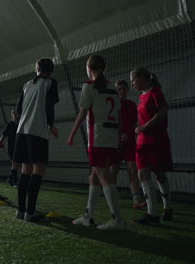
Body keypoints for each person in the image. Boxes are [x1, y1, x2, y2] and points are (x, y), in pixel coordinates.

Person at [67, 55, 125, 230]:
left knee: (104, 177)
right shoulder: (113, 89)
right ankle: (88, 216)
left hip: (98, 138)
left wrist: (72, 134)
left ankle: (118, 220)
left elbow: (82, 113)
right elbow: (120, 117)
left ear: (89, 69)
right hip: (112, 138)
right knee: (94, 176)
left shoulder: (89, 87)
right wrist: (119, 137)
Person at [13, 58, 59, 222]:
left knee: (25, 171)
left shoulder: (27, 85)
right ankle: (30, 212)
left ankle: (21, 210)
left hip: (22, 132)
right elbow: (49, 105)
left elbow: (17, 110)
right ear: (51, 70)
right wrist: (52, 124)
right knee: (38, 170)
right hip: (37, 131)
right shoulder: (50, 83)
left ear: (37, 69)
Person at [130, 67, 173, 224]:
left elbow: (163, 112)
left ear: (142, 78)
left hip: (157, 141)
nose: (132, 84)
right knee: (142, 174)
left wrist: (145, 127)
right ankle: (152, 214)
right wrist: (139, 132)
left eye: (133, 80)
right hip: (142, 142)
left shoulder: (156, 93)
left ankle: (167, 208)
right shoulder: (141, 98)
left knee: (160, 175)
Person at [109, 80, 146, 209]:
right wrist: (117, 136)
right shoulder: (112, 105)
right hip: (116, 142)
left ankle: (136, 199)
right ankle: (111, 198)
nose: (122, 91)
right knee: (114, 170)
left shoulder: (131, 104)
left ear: (127, 90)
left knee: (132, 169)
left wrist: (138, 135)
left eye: (124, 89)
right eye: (119, 89)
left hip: (130, 142)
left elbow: (135, 123)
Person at [0, 109, 20, 187]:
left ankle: (10, 179)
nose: (14, 115)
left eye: (16, 113)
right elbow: (3, 135)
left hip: (19, 146)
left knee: (16, 164)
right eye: (13, 113)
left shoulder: (21, 124)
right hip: (11, 146)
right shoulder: (10, 124)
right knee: (14, 163)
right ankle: (14, 181)